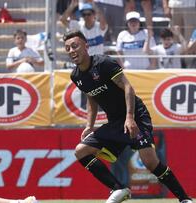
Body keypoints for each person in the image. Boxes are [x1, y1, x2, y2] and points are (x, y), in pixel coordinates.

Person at [63, 30, 193, 203]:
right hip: (116, 122)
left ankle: (185, 199)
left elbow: (128, 88)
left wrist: (130, 117)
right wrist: (89, 125)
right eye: (67, 48)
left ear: (86, 46)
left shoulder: (104, 63)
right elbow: (91, 98)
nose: (71, 50)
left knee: (149, 162)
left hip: (136, 116)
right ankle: (119, 189)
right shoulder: (76, 76)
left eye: (75, 46)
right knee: (81, 151)